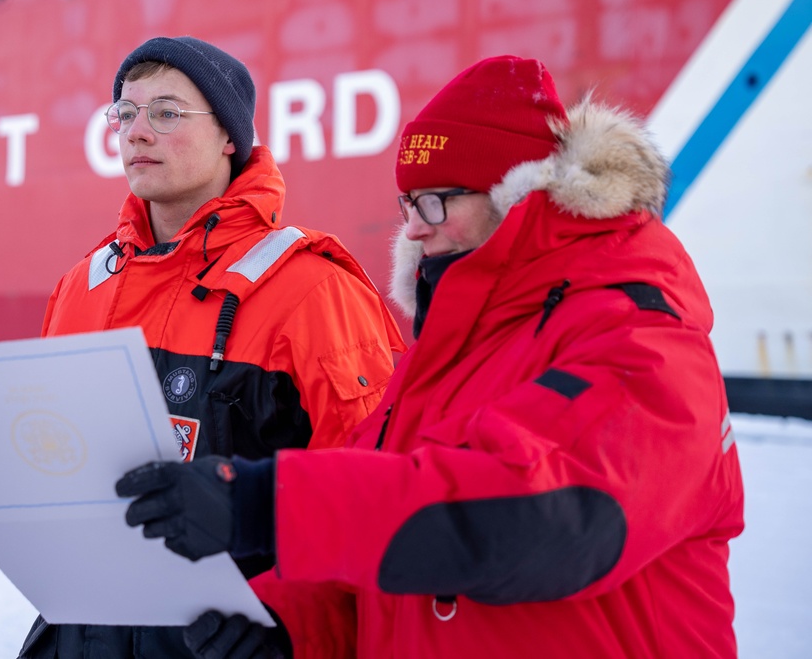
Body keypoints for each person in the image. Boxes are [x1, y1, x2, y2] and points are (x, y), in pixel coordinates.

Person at [115, 55, 746, 658]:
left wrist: (266, 504)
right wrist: (289, 622)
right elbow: (382, 545)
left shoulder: (644, 340)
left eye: (434, 201)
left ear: (520, 195)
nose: (413, 228)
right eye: (408, 204)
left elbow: (536, 516)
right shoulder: (446, 355)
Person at [17, 36, 405, 658]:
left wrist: (292, 630)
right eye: (125, 113)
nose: (136, 133)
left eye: (167, 113)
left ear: (229, 136)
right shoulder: (79, 288)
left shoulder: (312, 293)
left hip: (231, 641)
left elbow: (374, 503)